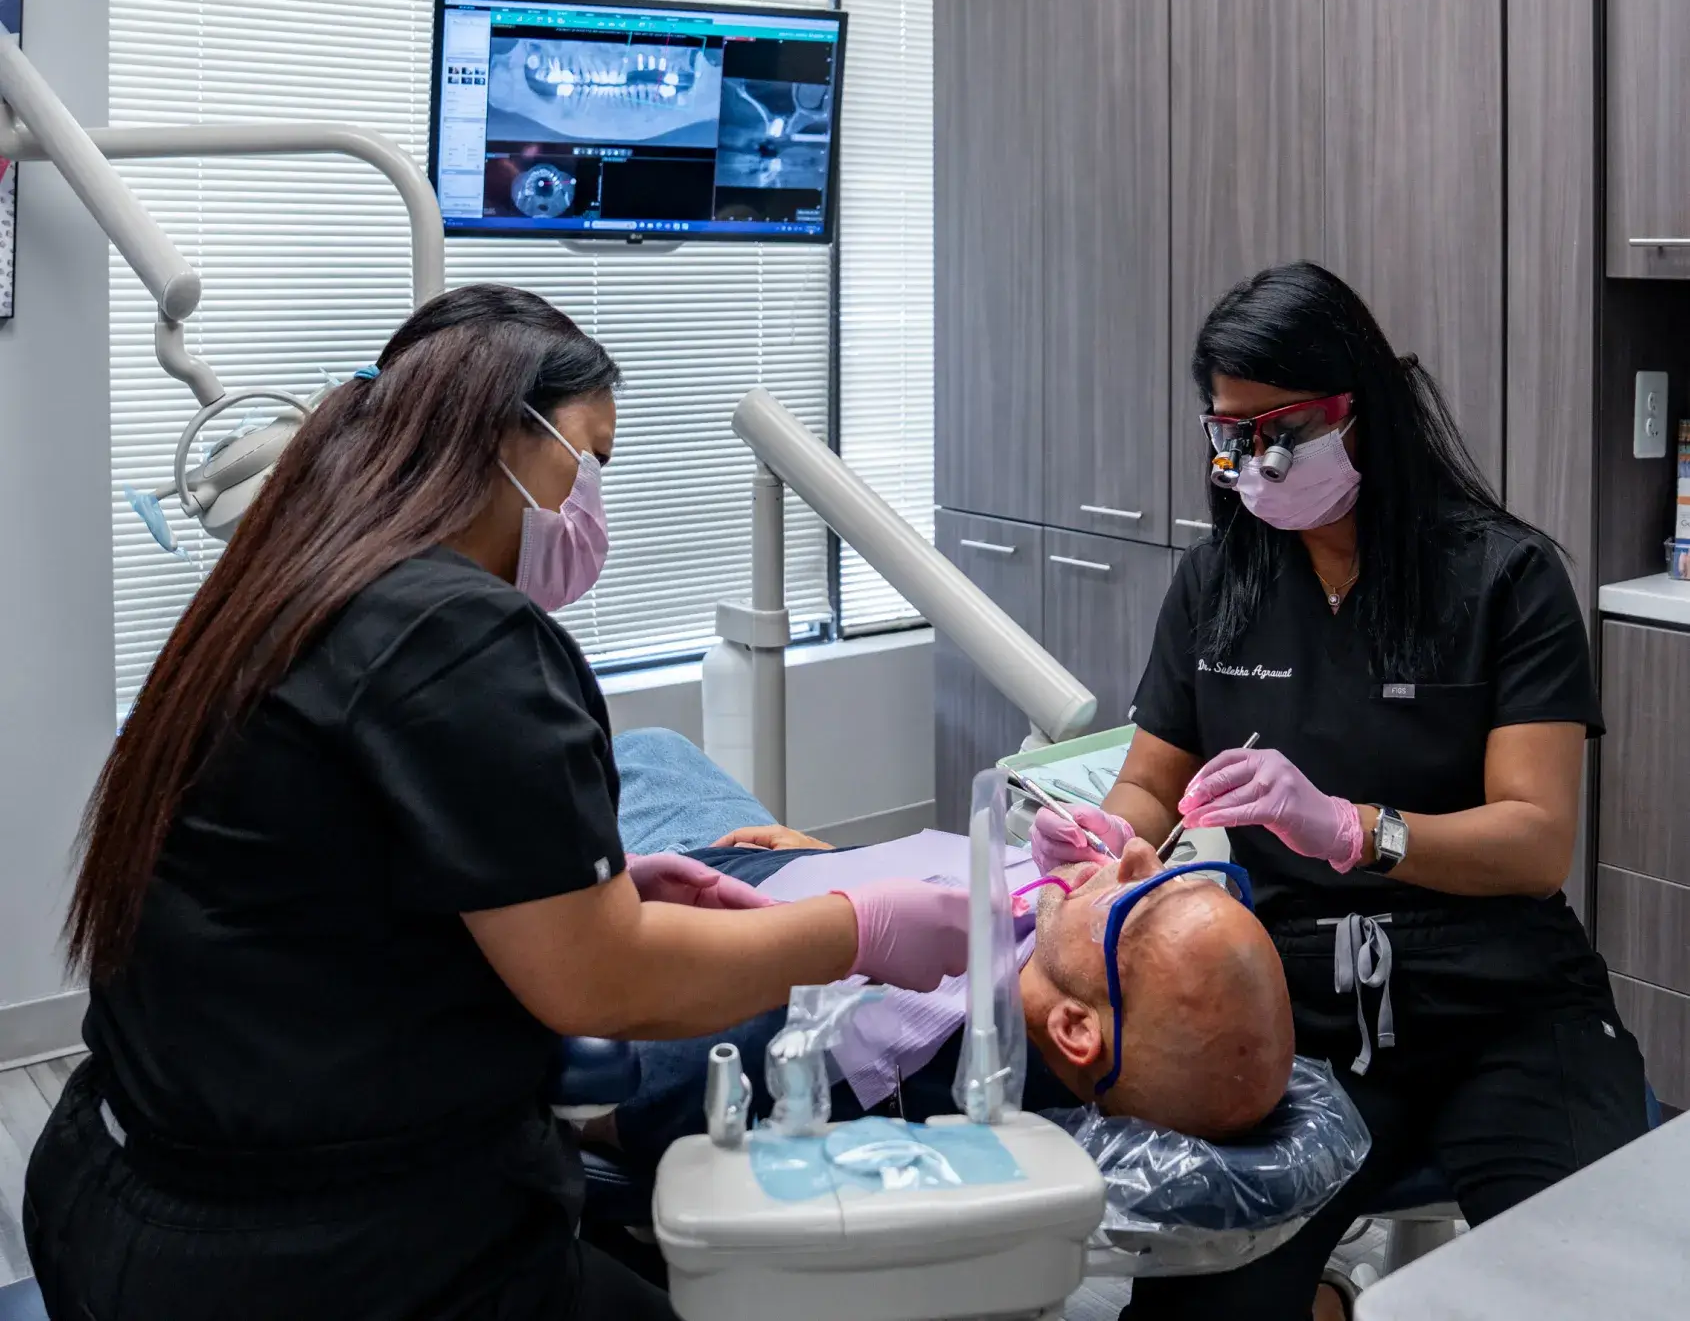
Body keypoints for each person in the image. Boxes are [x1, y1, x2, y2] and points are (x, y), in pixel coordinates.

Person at [23, 285, 969, 1321]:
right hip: (313, 1262)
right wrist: (856, 928)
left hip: (111, 1182)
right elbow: (603, 983)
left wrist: (562, 886)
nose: (593, 497)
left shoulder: (286, 582)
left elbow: (325, 873)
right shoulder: (460, 634)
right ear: (499, 433)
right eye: (589, 458)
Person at [1086, 262, 1649, 1321]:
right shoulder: (1220, 584)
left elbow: (1534, 841)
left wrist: (1350, 828)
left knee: (1594, 1285)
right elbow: (1148, 782)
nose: (1250, 460)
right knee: (1202, 1304)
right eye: (1228, 434)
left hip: (1504, 1003)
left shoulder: (1504, 578)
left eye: (1274, 428)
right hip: (1299, 1015)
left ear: (1359, 409)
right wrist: (1097, 842)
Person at [595, 732, 1294, 1169]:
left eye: (1140, 900)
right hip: (785, 870)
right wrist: (835, 860)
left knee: (624, 761)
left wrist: (597, 891)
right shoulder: (1049, 962)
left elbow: (607, 1048)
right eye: (1178, 874)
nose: (1142, 849)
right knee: (652, 748)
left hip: (668, 916)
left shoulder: (849, 1045)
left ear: (1076, 1029)